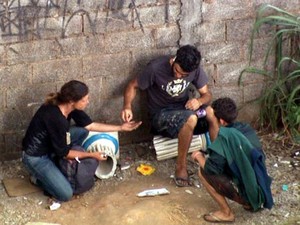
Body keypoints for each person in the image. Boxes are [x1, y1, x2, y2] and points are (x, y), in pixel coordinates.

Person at [22, 80, 142, 202]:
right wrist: (91, 155)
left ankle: (56, 167)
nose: (87, 102)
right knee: (66, 194)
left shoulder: (68, 106)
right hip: (36, 157)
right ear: (72, 101)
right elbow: (65, 153)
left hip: (52, 145)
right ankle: (38, 178)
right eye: (84, 100)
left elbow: (90, 126)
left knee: (82, 131)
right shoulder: (57, 118)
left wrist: (121, 128)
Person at [121, 45, 212, 187]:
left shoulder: (195, 70)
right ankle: (181, 167)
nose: (178, 76)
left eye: (183, 76)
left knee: (212, 112)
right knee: (191, 118)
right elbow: (132, 85)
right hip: (160, 116)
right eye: (177, 71)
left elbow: (207, 95)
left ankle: (217, 157)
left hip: (184, 111)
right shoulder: (155, 68)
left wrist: (198, 101)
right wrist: (127, 106)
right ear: (174, 60)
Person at [191, 97, 273, 223]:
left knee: (203, 172)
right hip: (262, 189)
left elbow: (212, 168)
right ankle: (249, 202)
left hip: (251, 194)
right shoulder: (246, 128)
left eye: (213, 115)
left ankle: (226, 212)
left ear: (222, 121)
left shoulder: (225, 136)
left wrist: (198, 156)